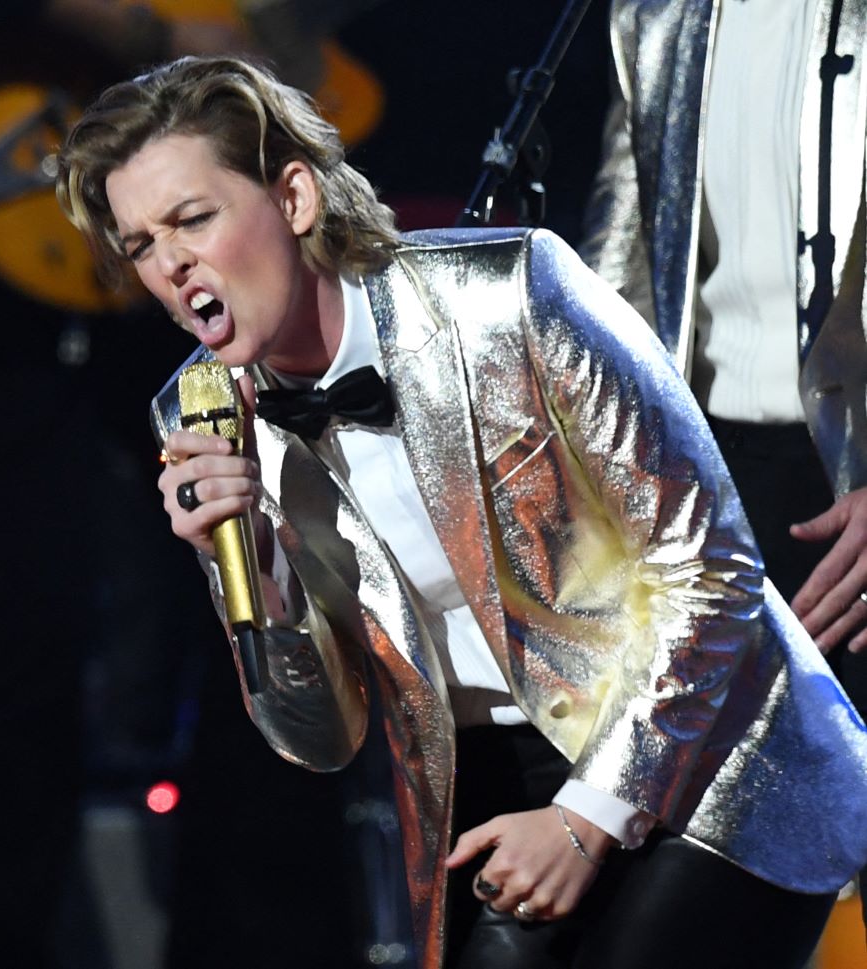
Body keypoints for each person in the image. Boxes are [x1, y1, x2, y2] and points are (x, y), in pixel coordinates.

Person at [56, 55, 867, 969]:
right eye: (140, 245)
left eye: (192, 219)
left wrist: (584, 817)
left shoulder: (509, 297)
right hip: (488, 780)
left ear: (293, 198)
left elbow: (712, 578)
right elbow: (319, 738)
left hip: (712, 751)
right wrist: (254, 564)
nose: (171, 266)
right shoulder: (202, 415)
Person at [580, 0, 867, 935]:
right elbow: (619, 253)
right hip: (705, 492)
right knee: (693, 899)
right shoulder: (660, 11)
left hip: (851, 484)